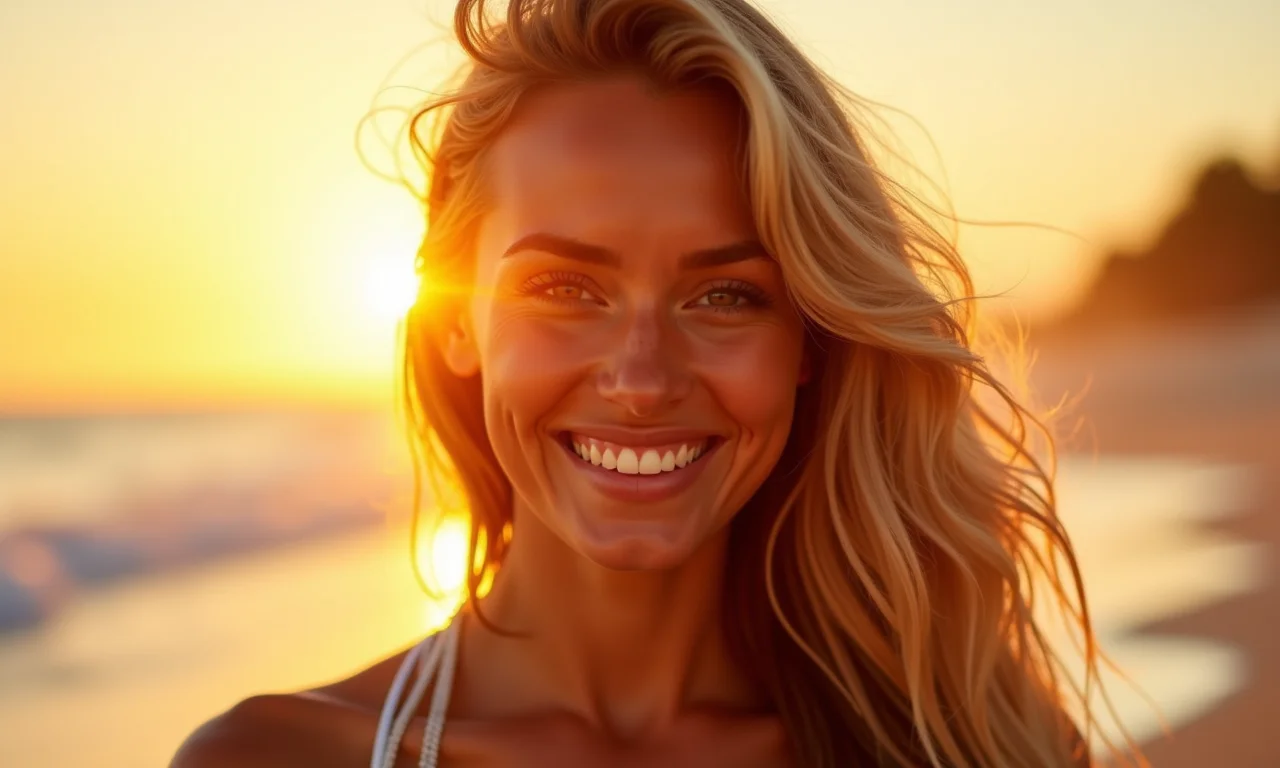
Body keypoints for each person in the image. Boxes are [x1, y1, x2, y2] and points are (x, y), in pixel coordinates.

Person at [172, 0, 1141, 765]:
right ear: (456, 319)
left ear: (808, 341)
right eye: (563, 287)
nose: (640, 379)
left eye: (723, 295)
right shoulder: (275, 761)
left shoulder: (971, 746)